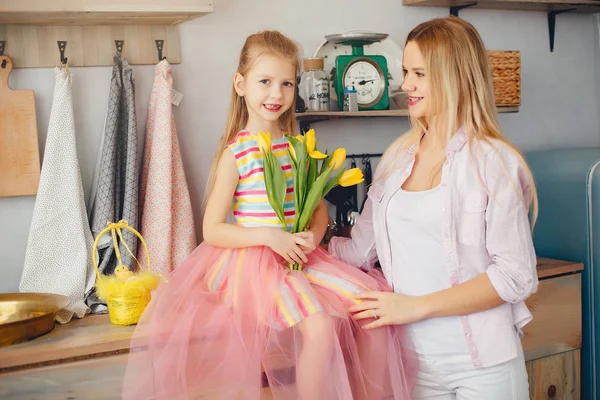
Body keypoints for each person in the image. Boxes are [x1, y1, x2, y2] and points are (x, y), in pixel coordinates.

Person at [122, 30, 415, 400]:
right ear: (241, 84)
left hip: (301, 257)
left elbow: (317, 211)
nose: (276, 94)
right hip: (254, 265)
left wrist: (315, 233)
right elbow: (212, 230)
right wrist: (269, 236)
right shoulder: (237, 153)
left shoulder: (298, 148)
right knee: (321, 328)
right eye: (265, 82)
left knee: (371, 308)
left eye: (286, 83)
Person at [329, 17, 538, 400]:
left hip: (483, 365)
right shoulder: (396, 159)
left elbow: (515, 276)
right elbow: (359, 251)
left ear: (454, 76)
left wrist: (416, 307)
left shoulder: (494, 162)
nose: (406, 84)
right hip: (412, 361)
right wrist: (305, 237)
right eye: (406, 72)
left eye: (419, 73)